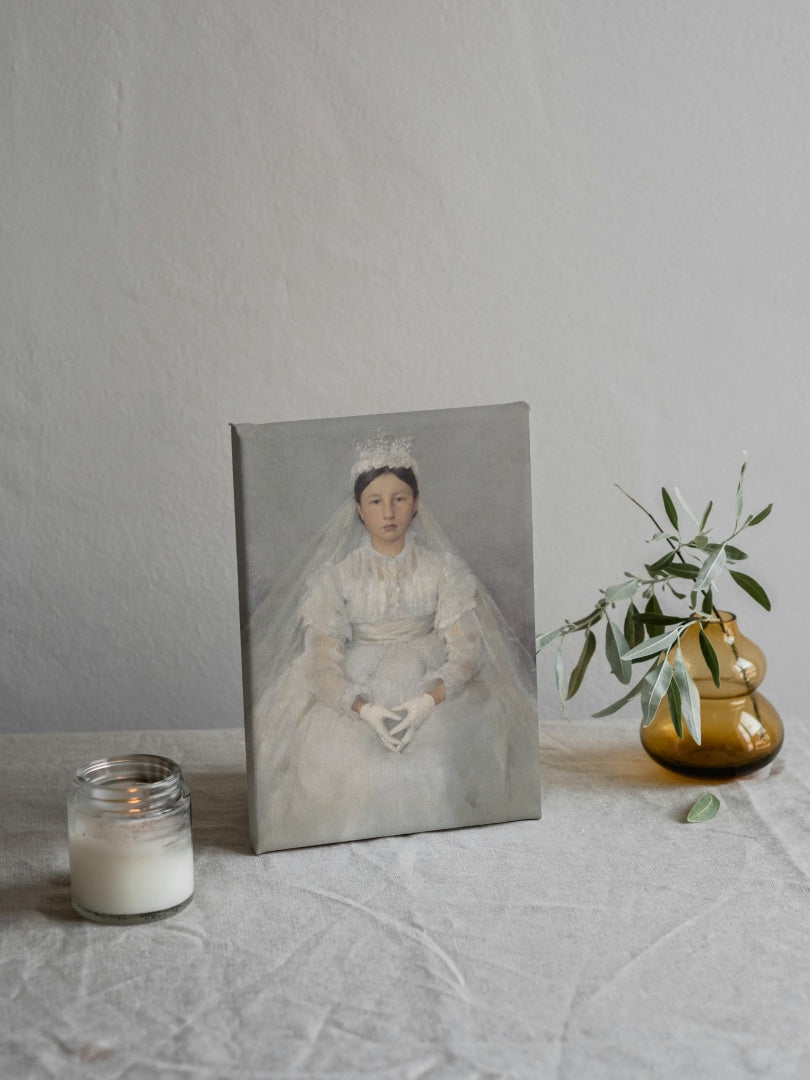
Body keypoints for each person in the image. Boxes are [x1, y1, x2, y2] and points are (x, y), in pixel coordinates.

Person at [244, 433, 541, 852]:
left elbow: (465, 653)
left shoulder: (442, 571)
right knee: (351, 765)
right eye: (376, 501)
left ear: (417, 503)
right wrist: (366, 710)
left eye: (399, 498)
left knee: (452, 751)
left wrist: (426, 702)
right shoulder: (337, 577)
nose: (388, 512)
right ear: (358, 511)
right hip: (359, 682)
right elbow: (320, 666)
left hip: (430, 680)